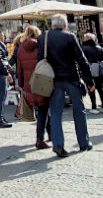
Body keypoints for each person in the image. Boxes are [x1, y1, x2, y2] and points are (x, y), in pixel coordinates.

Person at [38, 14, 95, 157]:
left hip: (53, 80)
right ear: (64, 24)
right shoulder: (69, 36)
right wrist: (89, 80)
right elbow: (81, 59)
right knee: (79, 109)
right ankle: (83, 142)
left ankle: (57, 144)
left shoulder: (43, 38)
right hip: (71, 78)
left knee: (56, 113)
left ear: (52, 24)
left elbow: (40, 60)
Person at [13, 25, 50, 148]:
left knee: (42, 108)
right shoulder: (40, 46)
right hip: (42, 80)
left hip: (29, 83)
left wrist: (20, 85)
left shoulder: (21, 48)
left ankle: (50, 134)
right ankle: (40, 139)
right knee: (43, 108)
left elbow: (19, 69)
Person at [81, 33, 103, 112]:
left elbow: (82, 60)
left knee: (91, 88)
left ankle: (94, 107)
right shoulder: (98, 47)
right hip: (98, 69)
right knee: (100, 89)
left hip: (89, 69)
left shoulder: (84, 48)